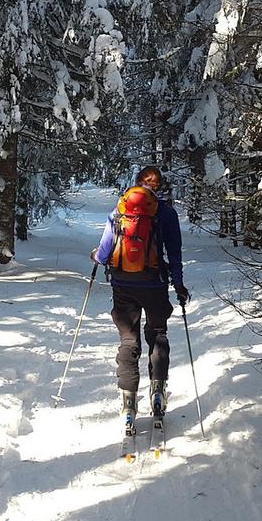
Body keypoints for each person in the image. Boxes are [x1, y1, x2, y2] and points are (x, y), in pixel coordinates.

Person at [92, 166, 190, 429]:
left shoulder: (120, 209)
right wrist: (178, 284)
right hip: (154, 283)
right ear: (159, 187)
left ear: (137, 183)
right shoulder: (166, 213)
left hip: (123, 284)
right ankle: (157, 391)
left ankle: (128, 404)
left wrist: (96, 257)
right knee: (158, 334)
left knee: (128, 341)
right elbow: (175, 253)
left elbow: (103, 252)